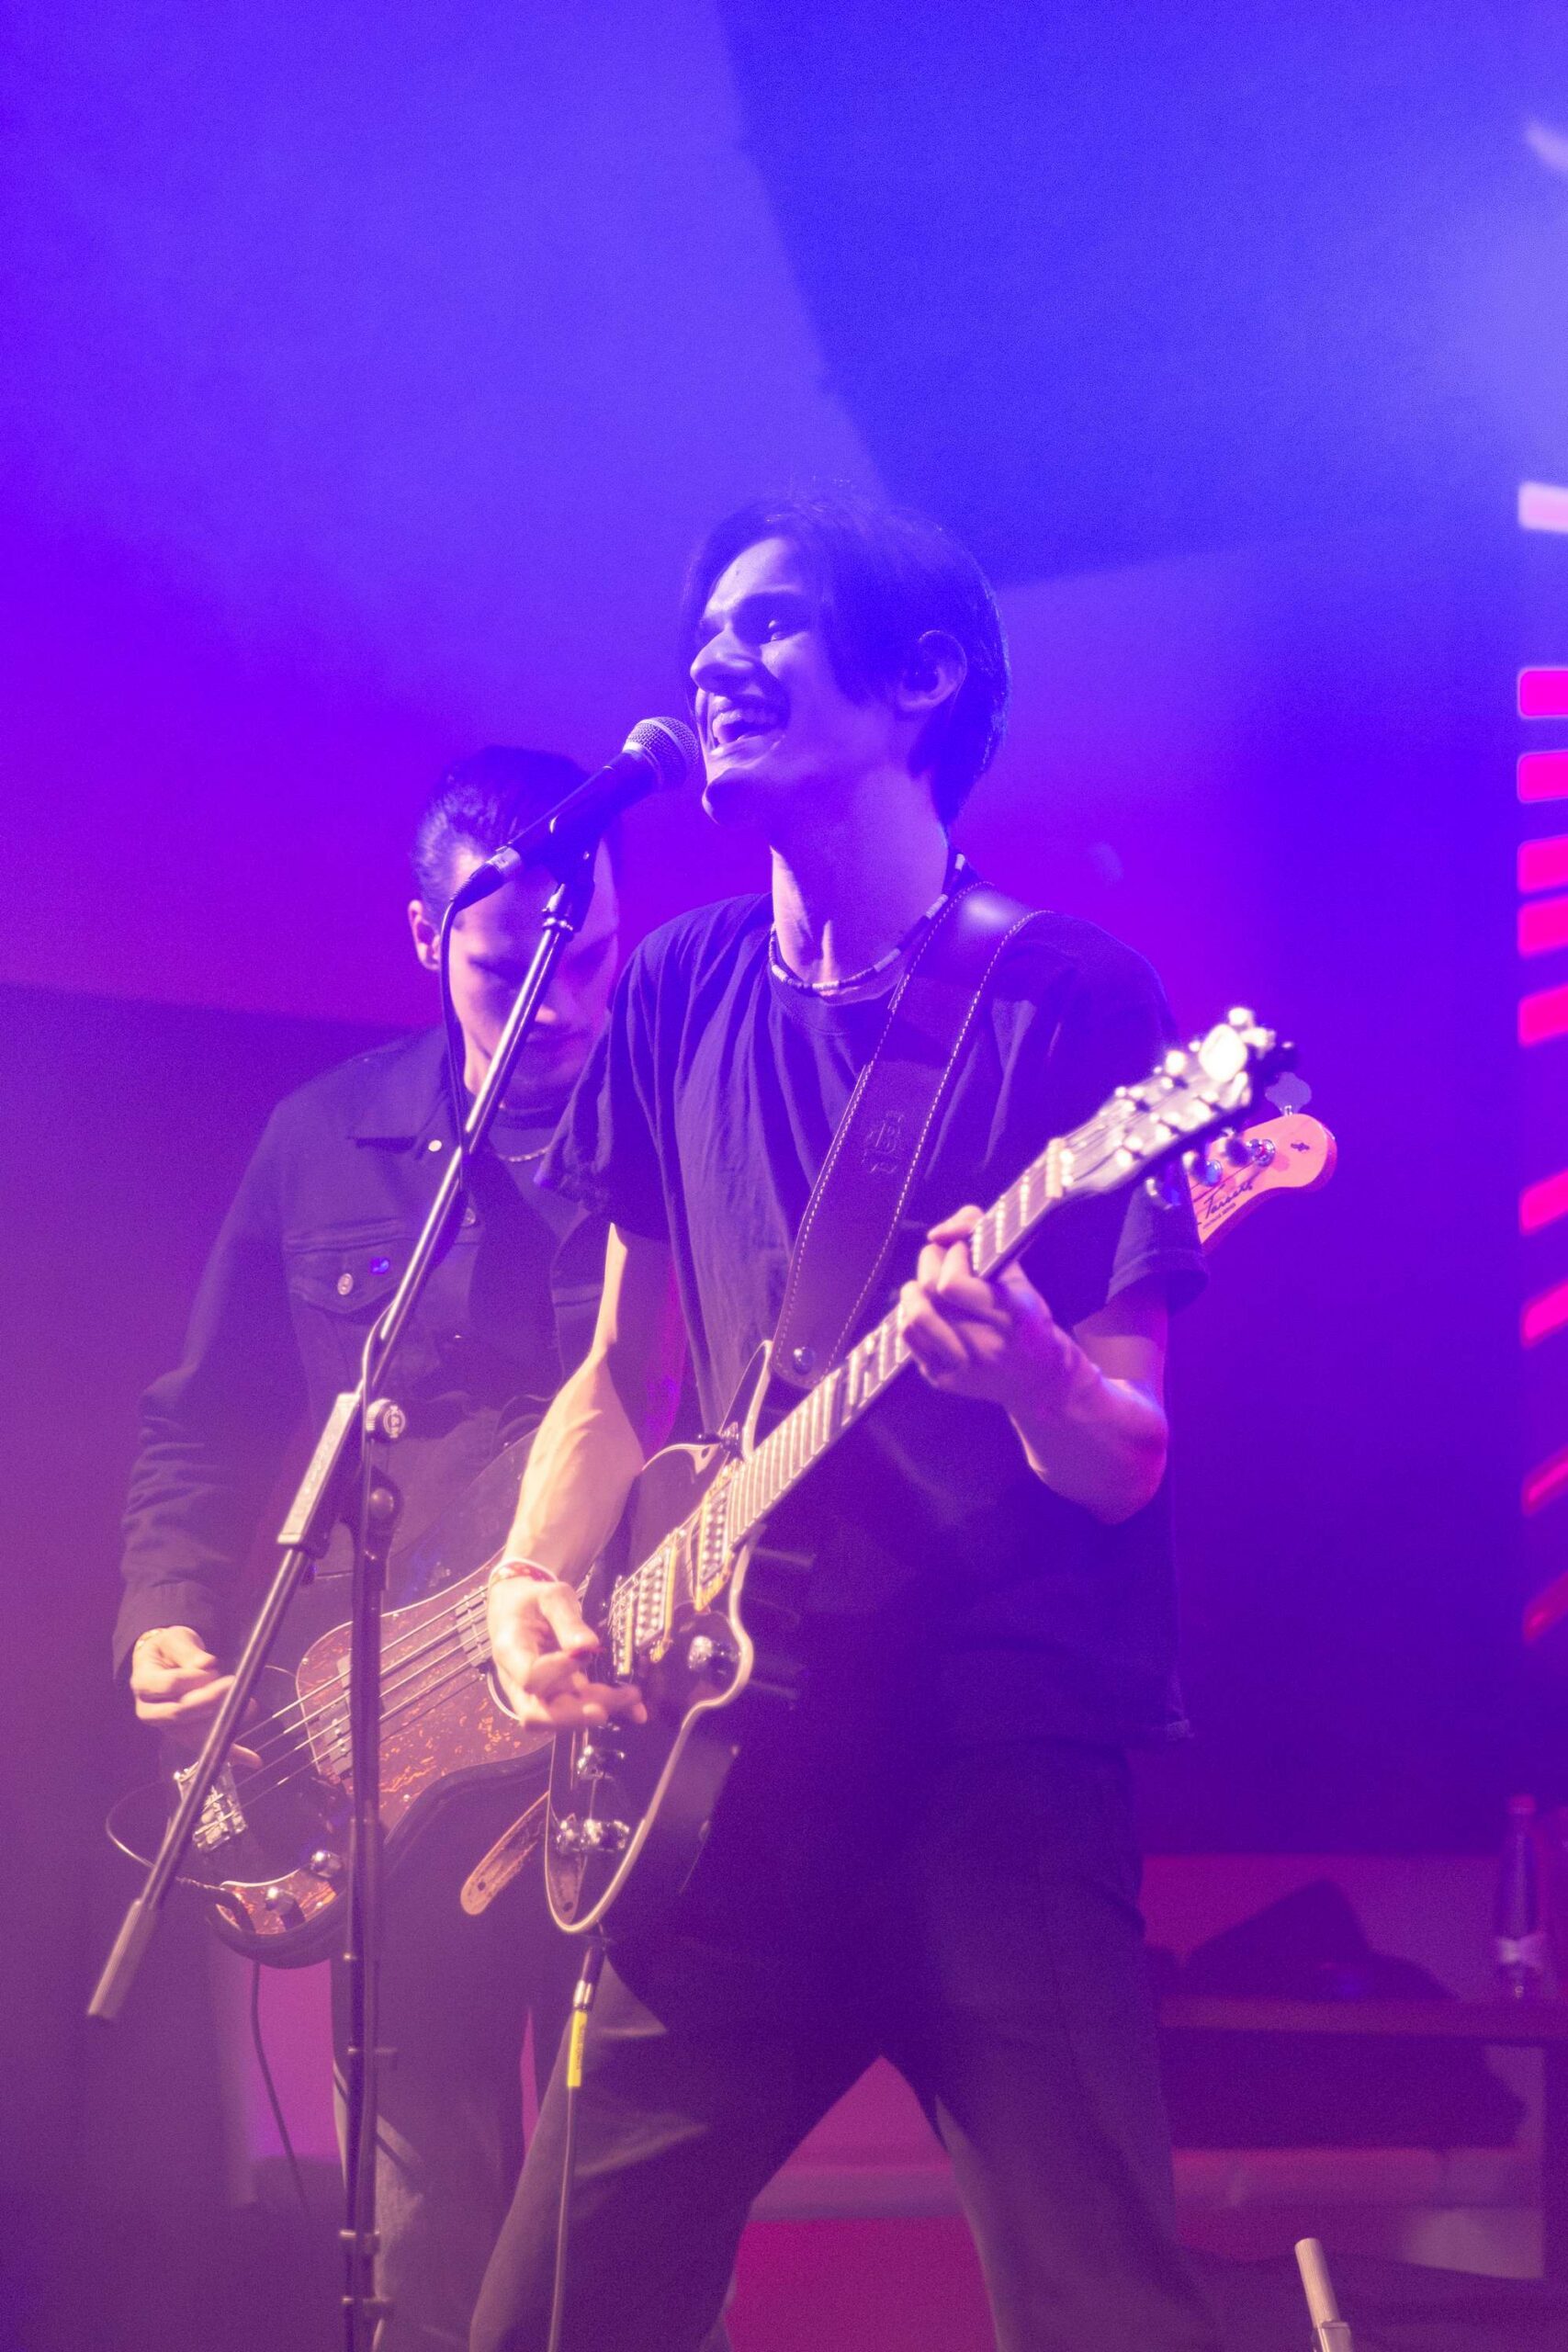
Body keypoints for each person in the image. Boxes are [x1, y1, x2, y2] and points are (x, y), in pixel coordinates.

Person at [471, 494, 1224, 2352]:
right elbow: (619, 1372)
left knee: (1106, 2318)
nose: (713, 658)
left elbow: (1125, 1451)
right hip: (728, 1780)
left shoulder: (1071, 1000)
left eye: (772, 623)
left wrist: (1034, 1374)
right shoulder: (675, 984)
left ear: (920, 679)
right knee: (548, 2317)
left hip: (992, 1784)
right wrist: (530, 1578)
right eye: (702, 630)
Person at [116, 747, 621, 2352]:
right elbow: (204, 1417)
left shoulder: (675, 1130)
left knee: (628, 2240)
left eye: (591, 960)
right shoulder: (323, 1139)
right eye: (508, 968)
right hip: (390, 1754)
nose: (556, 1005)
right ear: (426, 937)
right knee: (418, 2242)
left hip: (619, 1728)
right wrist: (166, 1611)